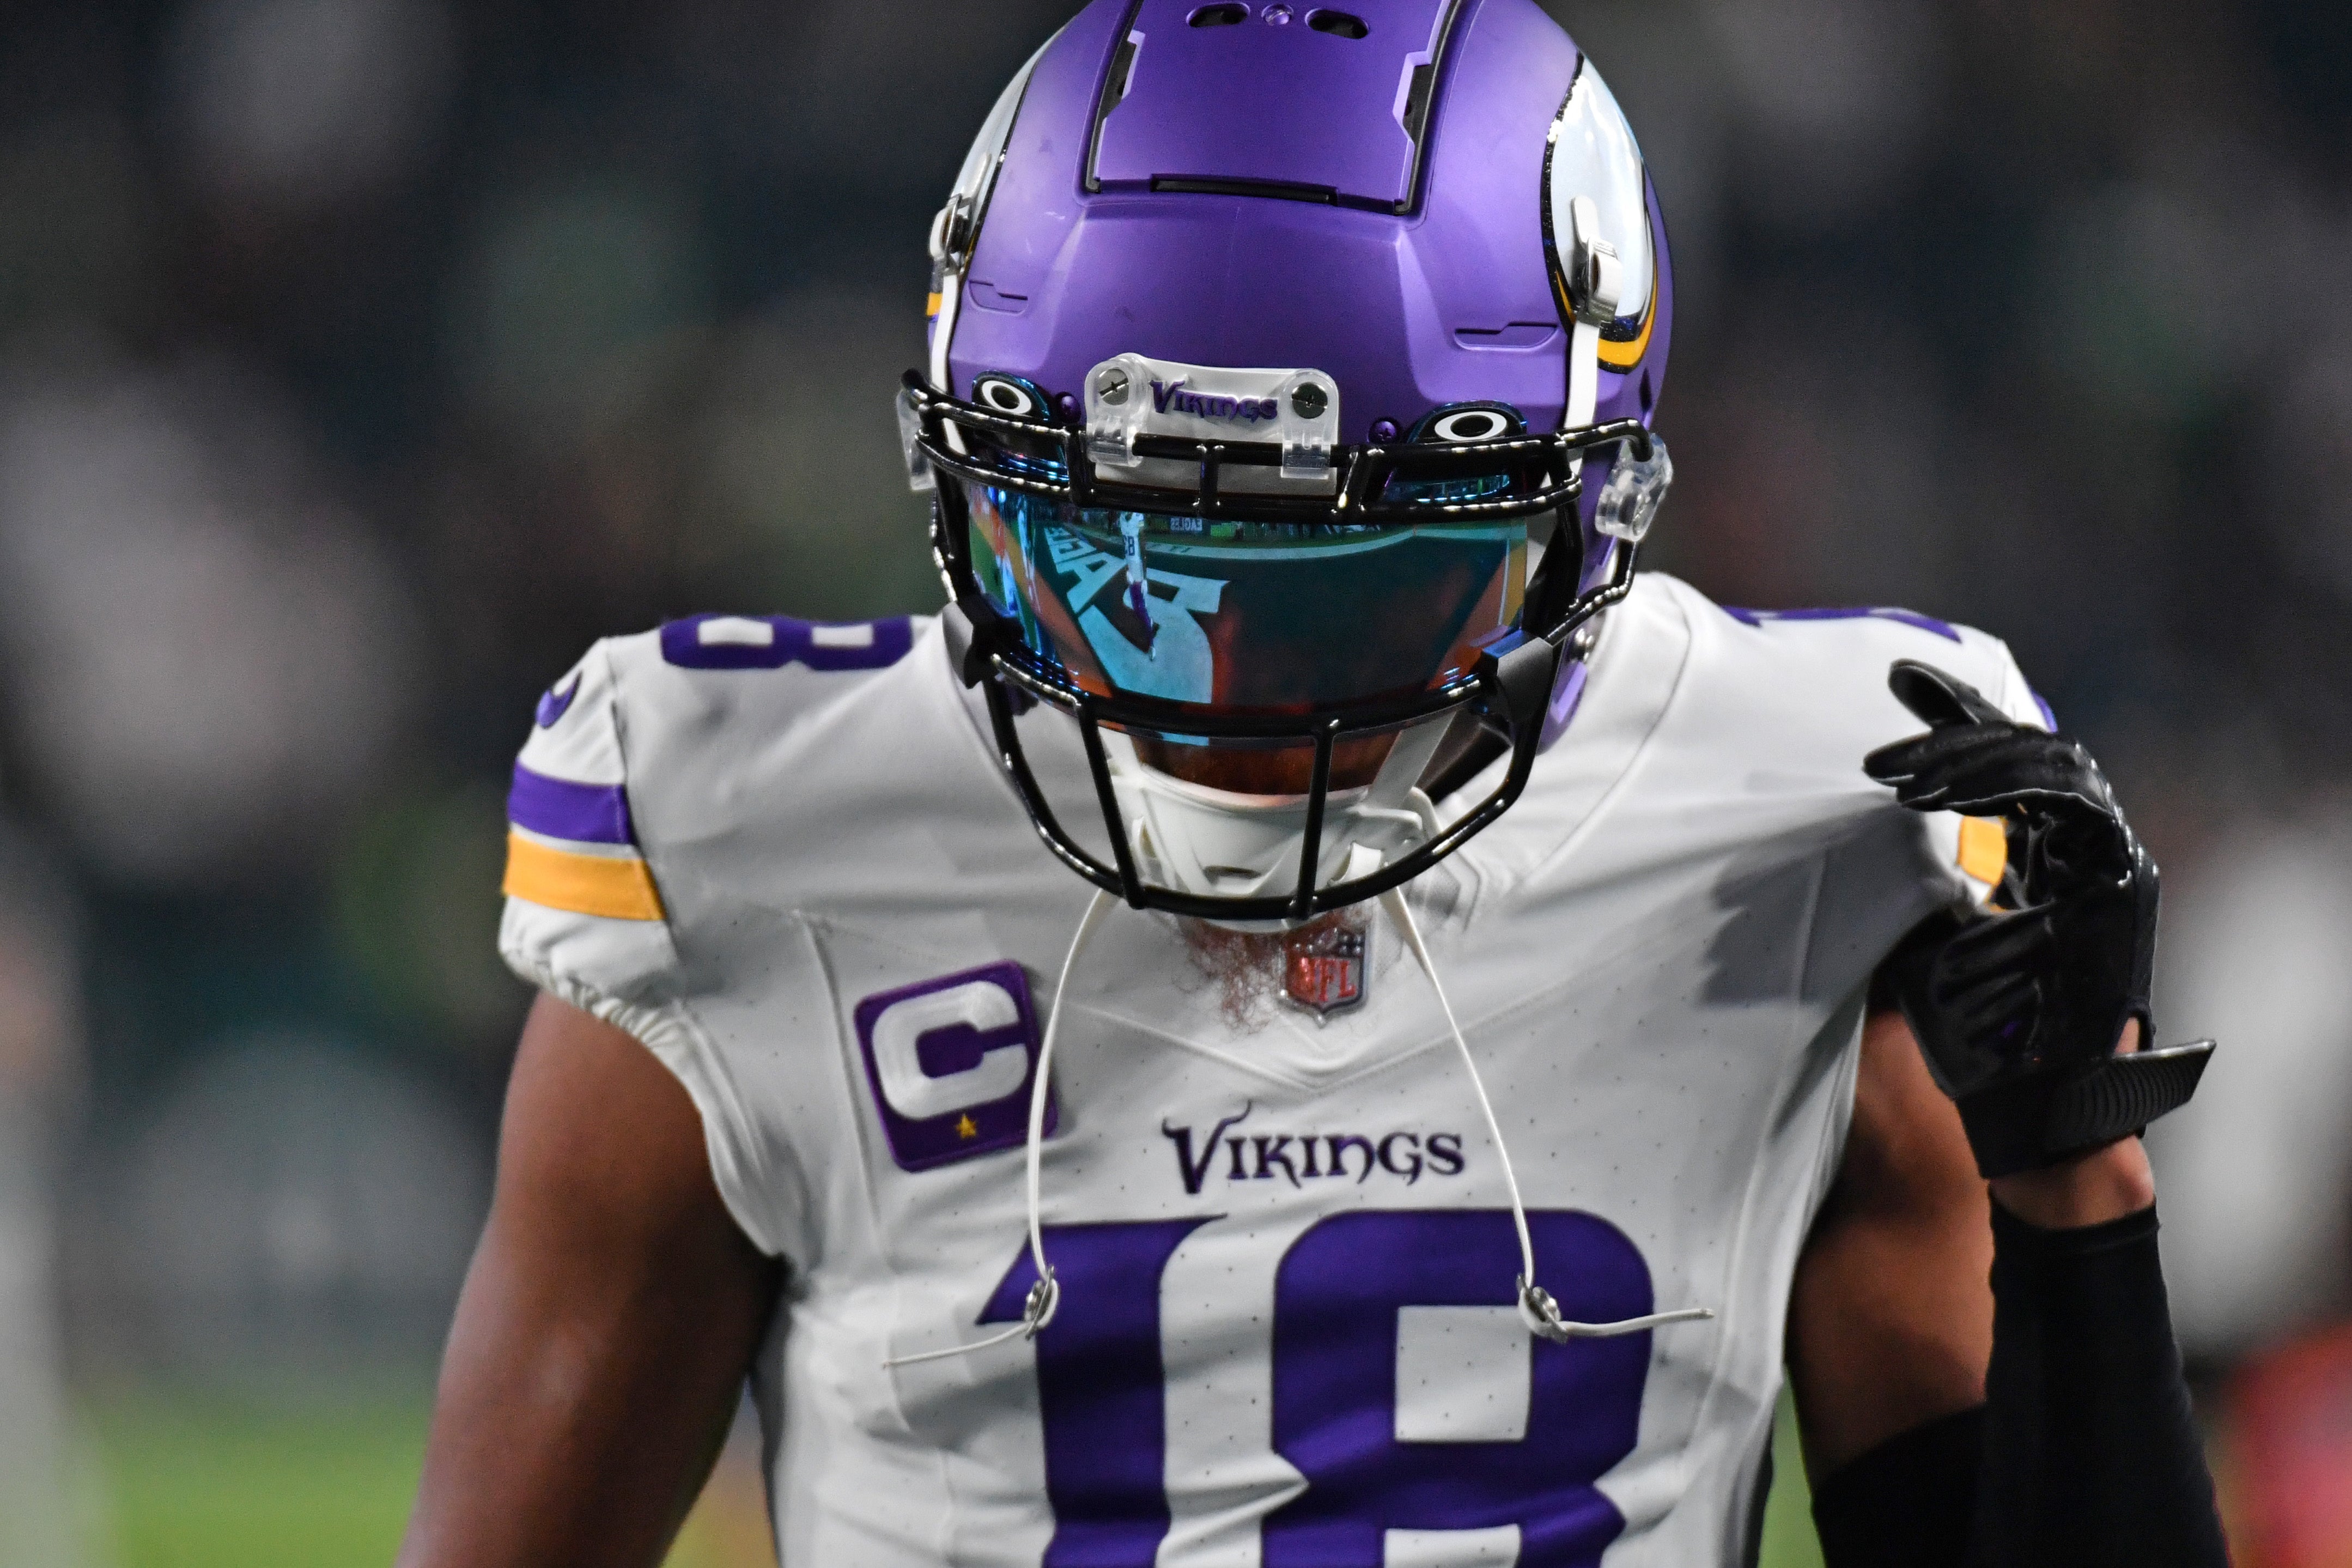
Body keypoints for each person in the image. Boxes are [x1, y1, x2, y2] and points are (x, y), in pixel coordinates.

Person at [397, 4, 2228, 1564]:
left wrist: (2074, 1184)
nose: (1215, 703)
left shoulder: (1821, 809)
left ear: (1596, 507)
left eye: (1344, 589)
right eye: (1120, 571)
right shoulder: (742, 825)